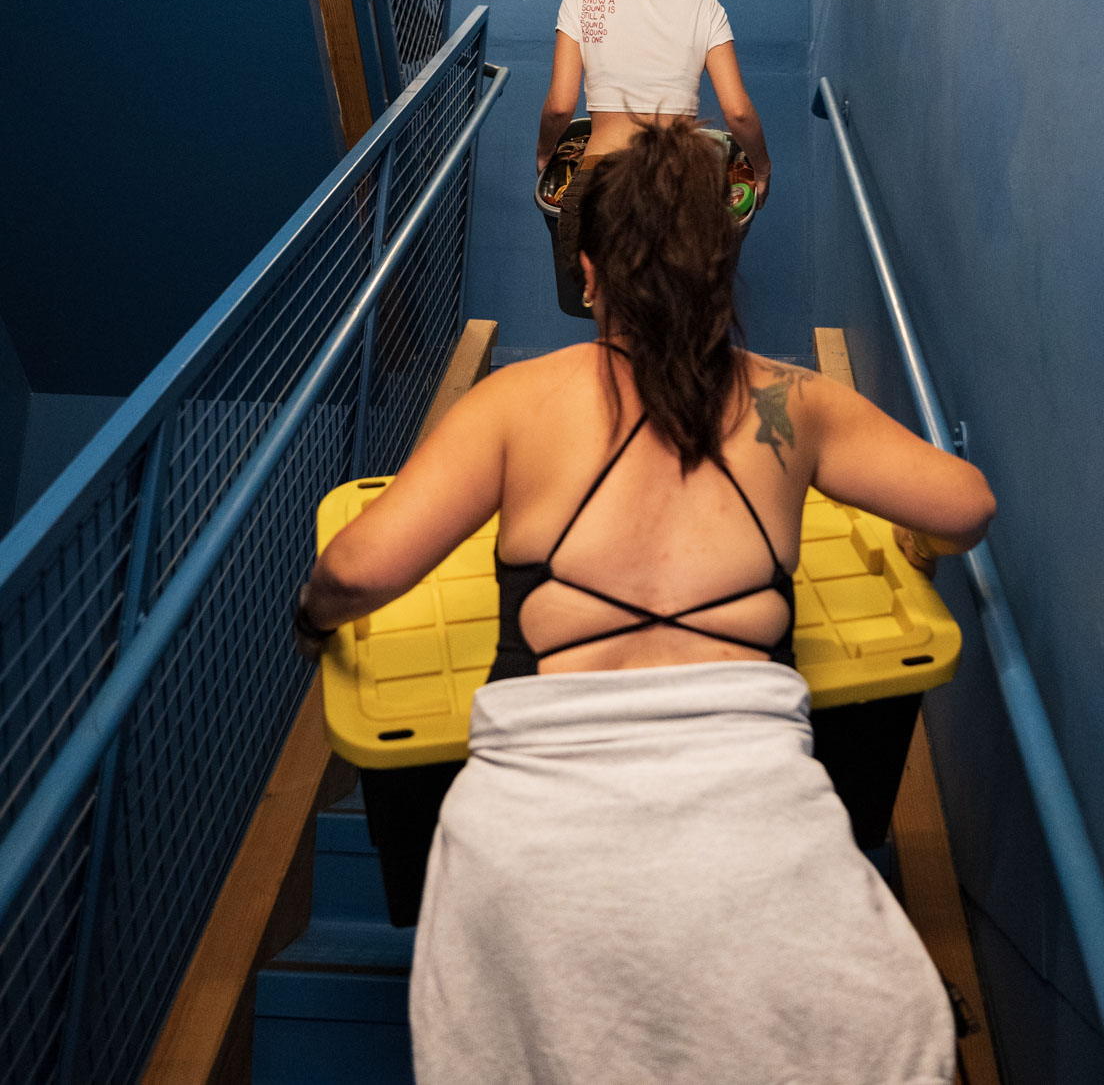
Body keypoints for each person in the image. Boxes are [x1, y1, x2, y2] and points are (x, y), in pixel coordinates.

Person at [294, 122, 996, 1085]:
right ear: (722, 272)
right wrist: (920, 543)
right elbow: (966, 505)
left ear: (589, 275)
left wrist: (312, 621)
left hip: (532, 833)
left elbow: (359, 570)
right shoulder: (791, 403)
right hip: (750, 812)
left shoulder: (516, 402)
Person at [536, 0, 772, 279]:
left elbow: (560, 106)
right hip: (678, 184)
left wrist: (545, 154)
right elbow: (738, 113)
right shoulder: (705, 8)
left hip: (599, 184)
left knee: (603, 303)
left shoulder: (581, 0)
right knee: (676, 307)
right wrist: (762, 169)